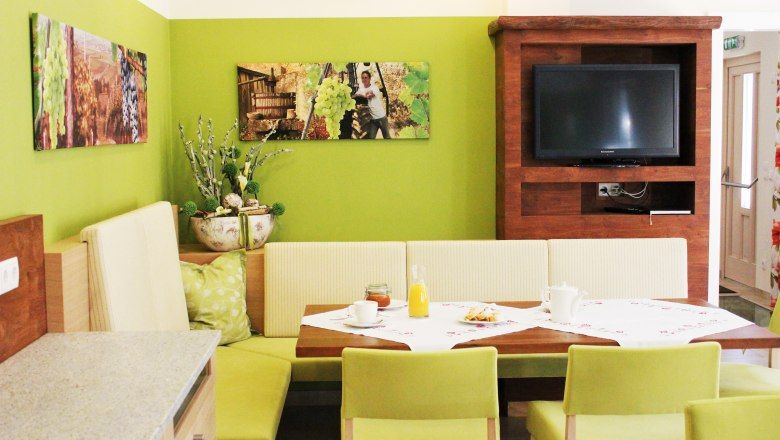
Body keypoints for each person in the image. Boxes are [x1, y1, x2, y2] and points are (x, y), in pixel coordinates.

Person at [352, 70, 389, 139]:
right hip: (373, 120)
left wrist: (361, 95)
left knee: (387, 137)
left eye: (366, 77)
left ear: (369, 78)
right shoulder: (361, 89)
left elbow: (369, 95)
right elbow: (354, 96)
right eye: (362, 78)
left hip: (381, 118)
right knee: (370, 138)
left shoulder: (374, 88)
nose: (364, 79)